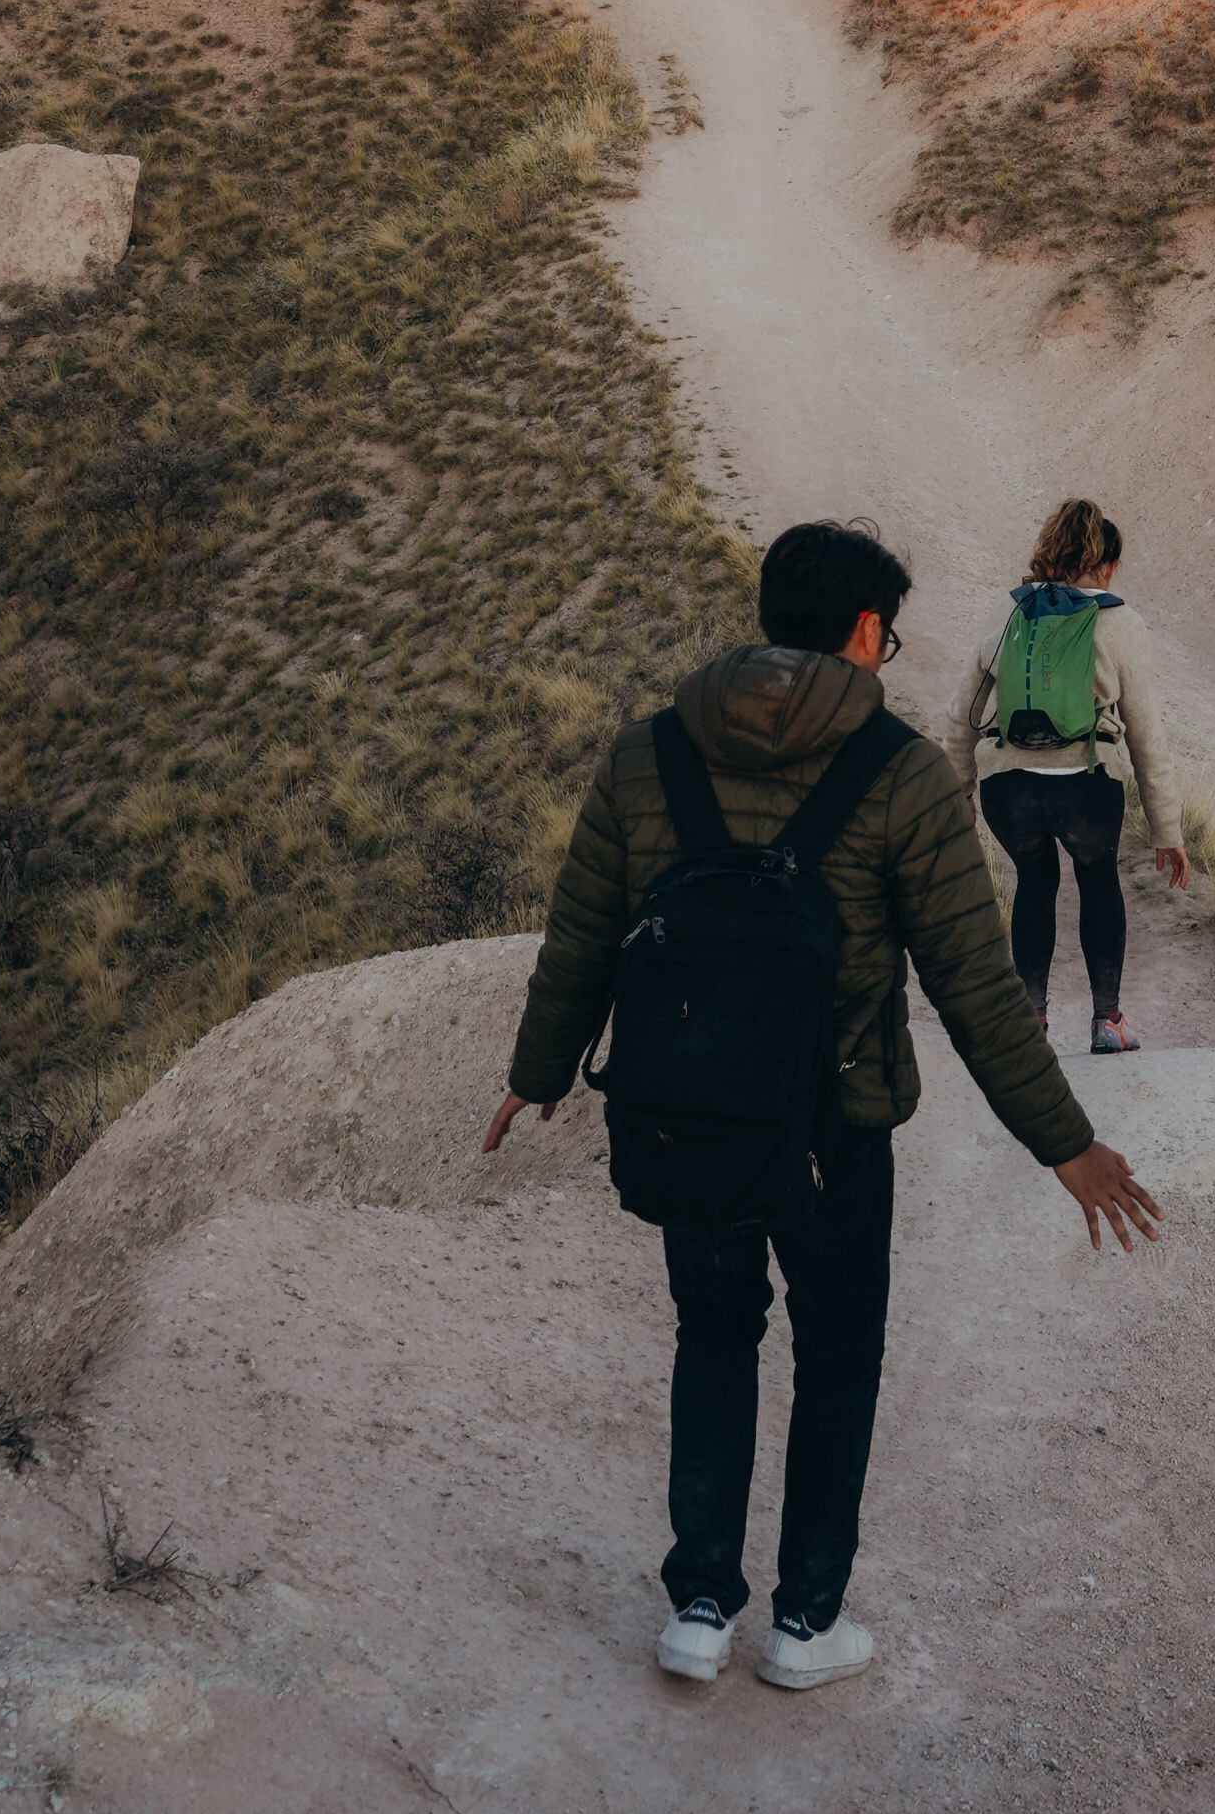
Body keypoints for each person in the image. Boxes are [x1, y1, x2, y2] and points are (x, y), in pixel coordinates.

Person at [482, 518, 1159, 1695]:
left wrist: (540, 1071)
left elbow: (583, 930)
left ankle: (697, 1607)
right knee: (837, 1358)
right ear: (861, 631)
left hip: (685, 1115)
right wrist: (1070, 1146)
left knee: (712, 1333)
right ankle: (803, 1625)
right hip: (835, 1131)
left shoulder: (647, 755)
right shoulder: (898, 774)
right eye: (887, 636)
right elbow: (972, 988)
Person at [951, 499, 1188, 1053]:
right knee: (1097, 879)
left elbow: (961, 711)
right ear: (1105, 563)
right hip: (1086, 785)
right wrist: (1167, 829)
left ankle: (1031, 1021)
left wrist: (959, 787)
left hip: (1008, 788)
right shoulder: (1120, 621)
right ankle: (1108, 1023)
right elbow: (1147, 734)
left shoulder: (1009, 610)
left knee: (1034, 881)